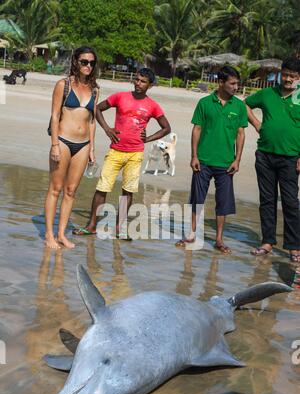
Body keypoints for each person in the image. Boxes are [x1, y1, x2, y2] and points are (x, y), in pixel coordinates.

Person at [73, 68, 171, 238]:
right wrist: (107, 129)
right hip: (115, 151)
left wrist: (147, 139)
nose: (138, 83)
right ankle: (92, 225)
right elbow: (97, 108)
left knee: (128, 191)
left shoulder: (152, 105)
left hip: (135, 154)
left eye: (143, 81)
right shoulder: (120, 97)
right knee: (102, 188)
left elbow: (166, 128)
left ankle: (119, 229)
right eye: (137, 79)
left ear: (150, 85)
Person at [176, 66, 248, 252]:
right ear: (221, 83)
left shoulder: (239, 106)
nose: (236, 87)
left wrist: (237, 160)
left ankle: (219, 240)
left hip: (226, 163)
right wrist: (194, 156)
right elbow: (197, 129)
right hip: (203, 160)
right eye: (232, 83)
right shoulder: (204, 103)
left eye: (237, 83)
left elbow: (241, 134)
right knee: (197, 199)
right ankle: (191, 235)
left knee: (223, 203)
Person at [44, 45, 99, 249]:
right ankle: (49, 234)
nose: (88, 66)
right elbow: (54, 115)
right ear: (76, 61)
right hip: (63, 141)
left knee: (71, 191)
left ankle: (62, 234)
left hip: (83, 145)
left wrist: (92, 149)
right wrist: (55, 145)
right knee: (56, 188)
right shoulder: (63, 85)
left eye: (92, 63)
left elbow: (92, 120)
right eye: (84, 62)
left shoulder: (95, 89)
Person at [246, 57, 300, 262]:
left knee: (291, 202)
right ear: (280, 73)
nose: (288, 79)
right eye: (285, 74)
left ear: (299, 78)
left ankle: (294, 247)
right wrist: (258, 125)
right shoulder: (268, 93)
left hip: (291, 158)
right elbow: (245, 106)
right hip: (265, 155)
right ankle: (267, 242)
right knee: (267, 200)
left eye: (293, 76)